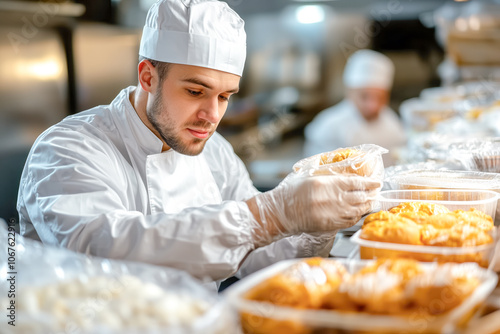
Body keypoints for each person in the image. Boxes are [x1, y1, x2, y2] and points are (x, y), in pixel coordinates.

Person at [17, 0, 381, 291]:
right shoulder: (67, 149)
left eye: (225, 97)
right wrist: (267, 214)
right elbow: (106, 253)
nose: (211, 115)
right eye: (195, 91)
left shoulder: (215, 151)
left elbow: (264, 260)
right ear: (148, 76)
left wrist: (318, 222)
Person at [304, 49, 407, 166]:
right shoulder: (327, 127)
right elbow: (314, 170)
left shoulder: (393, 123)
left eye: (380, 98)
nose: (372, 106)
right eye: (364, 97)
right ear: (349, 92)